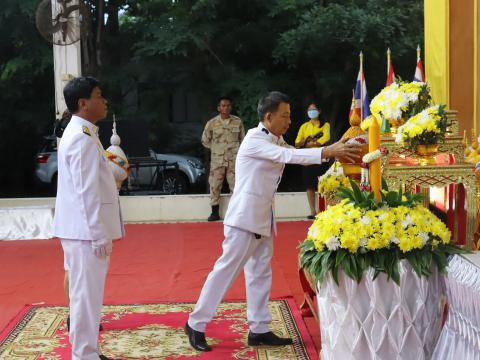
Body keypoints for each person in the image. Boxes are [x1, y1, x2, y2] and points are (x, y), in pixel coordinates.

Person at [185, 91, 363, 352]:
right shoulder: (254, 139)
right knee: (225, 273)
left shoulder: (276, 140)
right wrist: (328, 151)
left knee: (259, 274)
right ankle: (196, 323)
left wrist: (331, 152)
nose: (289, 121)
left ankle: (259, 329)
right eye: (285, 116)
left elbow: (295, 153)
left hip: (262, 219)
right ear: (268, 117)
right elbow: (290, 157)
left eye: (290, 116)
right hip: (244, 219)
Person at [53, 76, 124, 360]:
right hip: (84, 232)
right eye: (98, 95)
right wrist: (98, 234)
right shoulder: (81, 137)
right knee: (85, 297)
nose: (104, 100)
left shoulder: (84, 132)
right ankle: (84, 355)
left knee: (86, 296)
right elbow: (86, 192)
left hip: (80, 229)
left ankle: (88, 351)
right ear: (83, 103)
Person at [201, 96, 245, 221]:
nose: (226, 108)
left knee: (236, 186)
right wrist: (216, 150)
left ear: (230, 107)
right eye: (223, 106)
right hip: (217, 160)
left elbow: (243, 140)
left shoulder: (238, 121)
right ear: (219, 108)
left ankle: (237, 213)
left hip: (234, 160)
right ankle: (214, 213)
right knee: (215, 185)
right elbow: (205, 140)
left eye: (228, 105)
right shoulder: (212, 123)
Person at [295, 103, 332, 219]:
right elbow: (297, 143)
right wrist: (306, 141)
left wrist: (311, 144)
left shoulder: (325, 125)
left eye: (314, 109)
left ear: (319, 111)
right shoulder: (304, 126)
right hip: (307, 159)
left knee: (324, 184)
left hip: (321, 157)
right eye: (309, 109)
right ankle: (313, 211)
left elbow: (325, 138)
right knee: (309, 185)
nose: (311, 111)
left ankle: (325, 209)